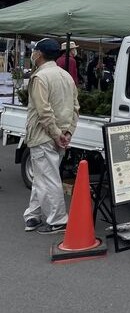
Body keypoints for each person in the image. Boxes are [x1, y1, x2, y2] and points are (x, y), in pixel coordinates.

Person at [23, 38, 79, 234]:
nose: (33, 54)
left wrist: (56, 134)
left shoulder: (40, 77)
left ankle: (57, 219)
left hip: (44, 135)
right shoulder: (66, 76)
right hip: (60, 135)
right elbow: (75, 108)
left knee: (48, 179)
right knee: (42, 176)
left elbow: (43, 111)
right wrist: (67, 133)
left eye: (35, 51)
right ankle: (33, 215)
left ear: (39, 54)